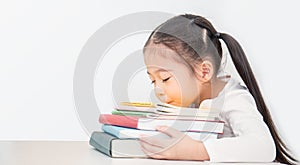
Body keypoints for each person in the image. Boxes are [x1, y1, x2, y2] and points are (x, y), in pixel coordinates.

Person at [139, 14, 298, 164]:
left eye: (165, 78)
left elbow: (264, 147)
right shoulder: (190, 100)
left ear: (204, 72)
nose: (158, 90)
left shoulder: (233, 97)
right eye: (152, 80)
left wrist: (197, 150)